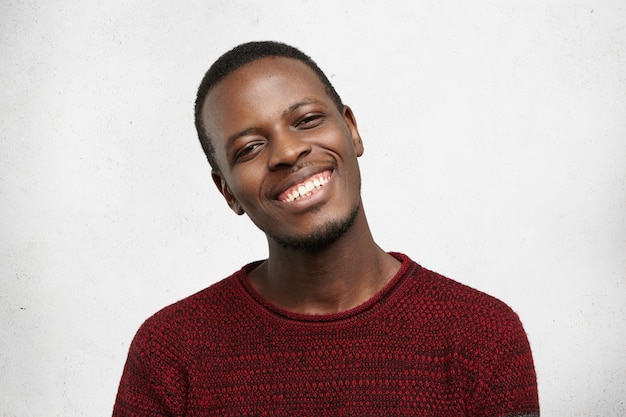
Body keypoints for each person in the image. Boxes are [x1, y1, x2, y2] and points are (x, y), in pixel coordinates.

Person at [112, 41, 539, 417]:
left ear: (351, 129)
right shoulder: (170, 351)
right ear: (226, 191)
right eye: (250, 148)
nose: (288, 150)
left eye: (308, 120)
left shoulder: (481, 334)